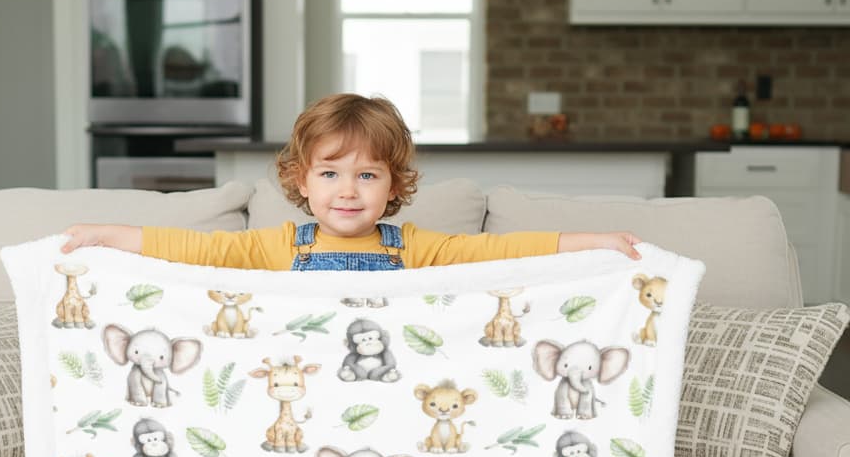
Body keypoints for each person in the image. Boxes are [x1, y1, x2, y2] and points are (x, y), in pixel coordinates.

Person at [61, 93, 640, 268]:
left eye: (367, 174)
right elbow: (190, 248)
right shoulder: (278, 246)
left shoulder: (416, 247)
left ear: (393, 187)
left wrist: (597, 242)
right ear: (302, 181)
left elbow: (507, 251)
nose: (348, 190)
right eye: (331, 173)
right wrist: (110, 234)